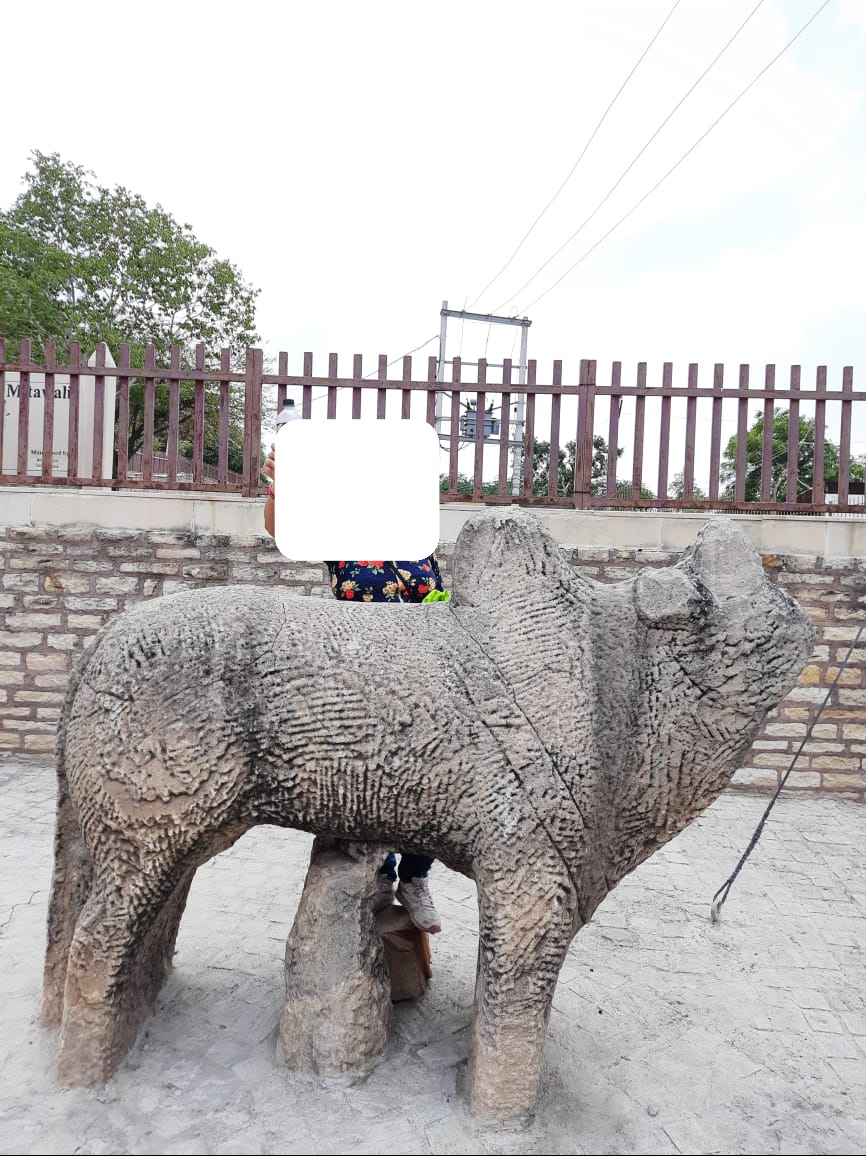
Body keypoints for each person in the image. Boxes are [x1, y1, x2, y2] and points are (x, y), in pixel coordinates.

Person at [263, 443, 443, 934]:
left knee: (426, 783)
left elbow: (443, 603)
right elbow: (279, 528)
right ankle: (382, 876)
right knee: (372, 785)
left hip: (418, 682)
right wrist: (281, 484)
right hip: (357, 685)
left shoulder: (421, 543)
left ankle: (415, 876)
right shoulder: (338, 534)